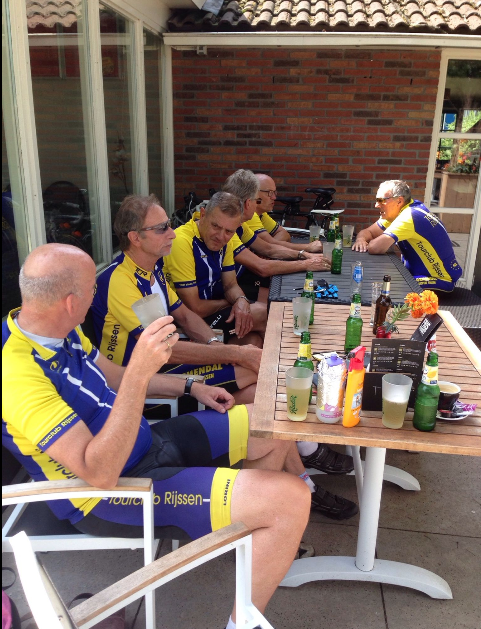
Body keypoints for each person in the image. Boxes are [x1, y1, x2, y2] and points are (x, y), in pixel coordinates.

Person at [2, 243, 311, 629]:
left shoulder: (57, 329)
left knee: (271, 425)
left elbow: (114, 377)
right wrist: (140, 370)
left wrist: (191, 387)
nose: (97, 295)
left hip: (147, 442)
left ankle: (246, 536)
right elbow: (99, 472)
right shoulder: (15, 374)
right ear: (70, 302)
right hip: (108, 494)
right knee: (290, 502)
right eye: (92, 289)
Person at [91, 194, 259, 404]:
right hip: (135, 384)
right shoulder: (120, 281)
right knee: (250, 369)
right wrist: (235, 353)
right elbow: (163, 349)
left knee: (253, 381)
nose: (172, 234)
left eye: (169, 225)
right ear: (135, 238)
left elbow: (185, 316)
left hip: (162, 367)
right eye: (161, 228)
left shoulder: (151, 269)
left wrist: (215, 344)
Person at [164, 191, 267, 347]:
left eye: (229, 231)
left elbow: (230, 285)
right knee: (263, 313)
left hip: (210, 312)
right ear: (203, 214)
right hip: (186, 322)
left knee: (252, 341)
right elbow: (195, 307)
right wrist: (231, 303)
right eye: (215, 226)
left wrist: (240, 300)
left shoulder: (226, 240)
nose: (220, 236)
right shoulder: (182, 241)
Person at [222, 170, 331, 303]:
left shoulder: (240, 224)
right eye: (257, 200)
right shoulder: (227, 228)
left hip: (234, 283)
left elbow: (268, 248)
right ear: (248, 203)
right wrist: (306, 263)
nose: (257, 205)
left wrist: (304, 255)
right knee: (278, 303)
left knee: (287, 295)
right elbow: (262, 267)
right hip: (225, 290)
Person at [352, 180, 462, 292]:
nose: (376, 205)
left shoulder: (409, 217)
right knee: (382, 282)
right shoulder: (402, 210)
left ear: (399, 201)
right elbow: (368, 232)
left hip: (440, 280)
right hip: (418, 274)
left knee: (384, 286)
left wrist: (369, 242)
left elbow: (374, 248)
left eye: (381, 200)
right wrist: (361, 239)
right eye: (377, 200)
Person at [246, 173, 325, 252]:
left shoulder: (261, 214)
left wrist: (272, 247)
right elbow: (268, 245)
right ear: (254, 193)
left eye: (274, 192)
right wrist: (308, 247)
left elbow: (283, 234)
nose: (274, 197)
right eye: (269, 193)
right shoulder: (250, 215)